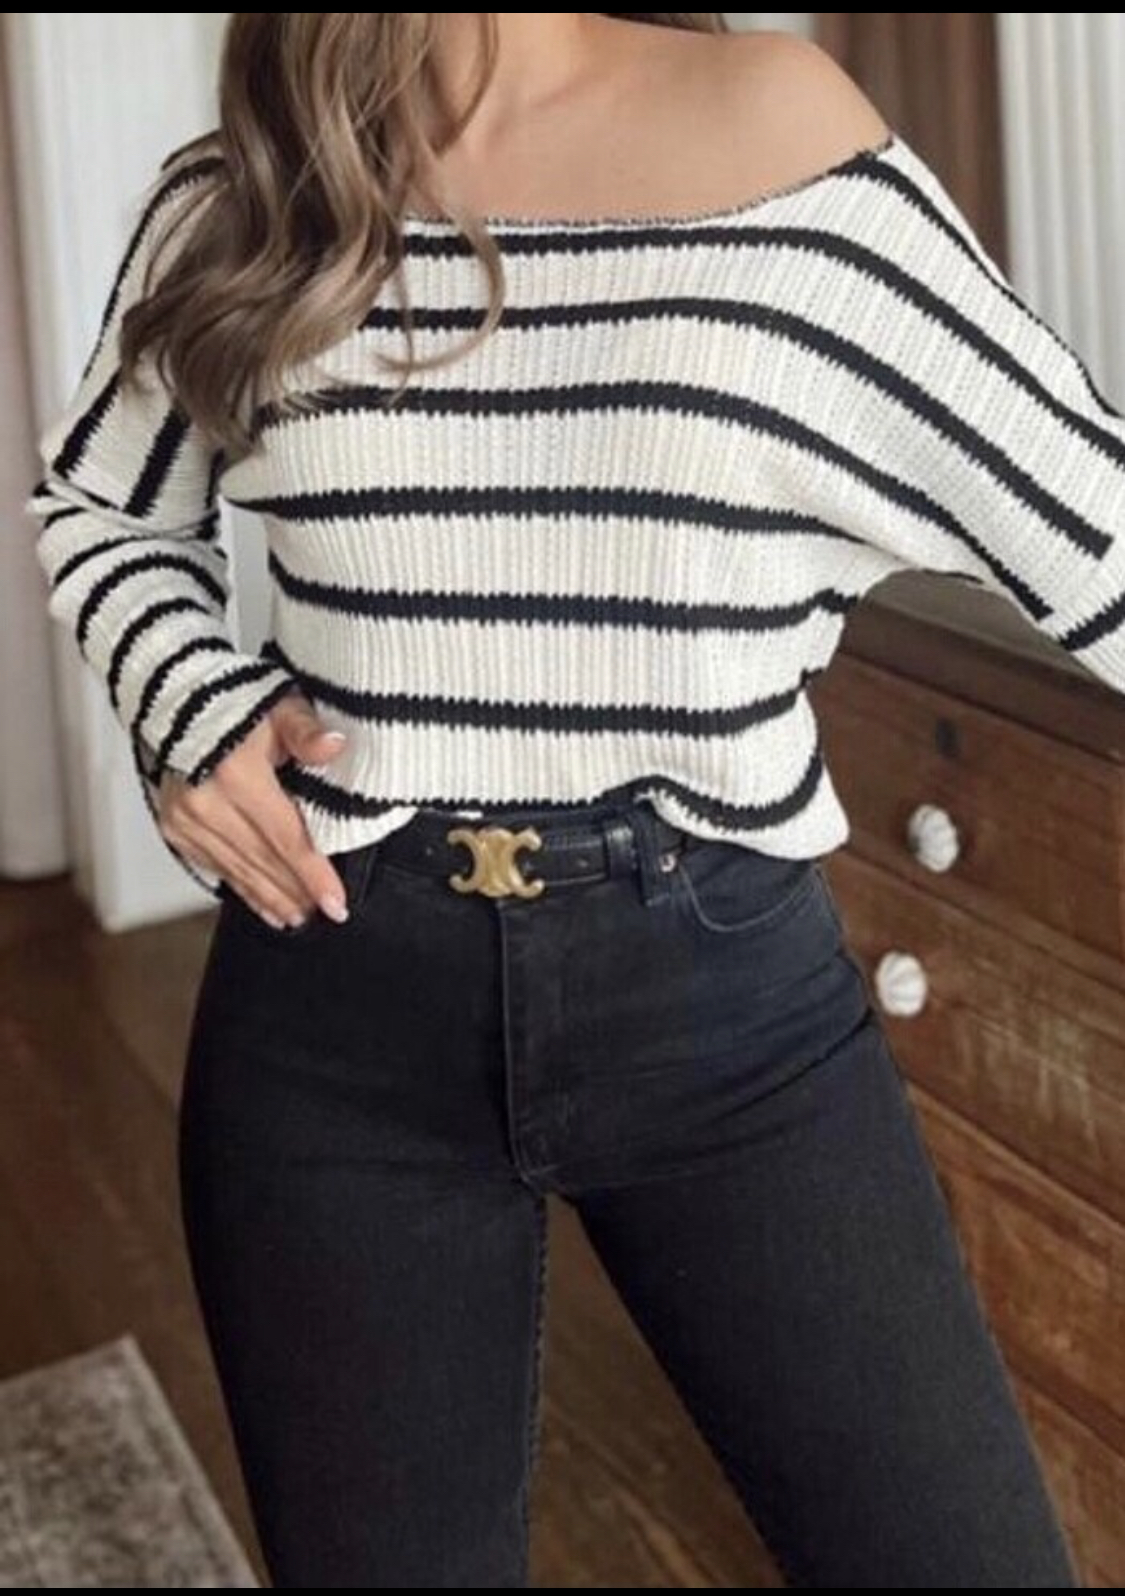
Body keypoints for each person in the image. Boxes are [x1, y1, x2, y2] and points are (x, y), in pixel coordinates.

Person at [24, 11, 1110, 1587]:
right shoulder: (257, 185)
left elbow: (1095, 520)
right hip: (332, 1003)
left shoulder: (778, 129)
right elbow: (100, 508)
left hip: (722, 1007)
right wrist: (192, 709)